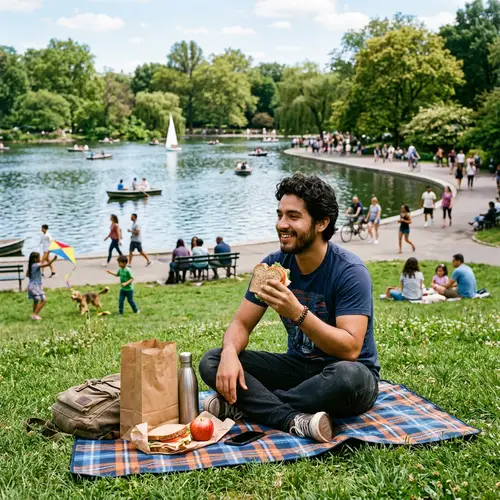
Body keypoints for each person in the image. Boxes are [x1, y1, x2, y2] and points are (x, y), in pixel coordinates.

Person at [199, 173, 379, 443]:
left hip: (348, 374)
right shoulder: (272, 267)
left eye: (293, 216)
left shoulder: (350, 272)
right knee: (212, 360)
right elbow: (241, 324)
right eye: (280, 214)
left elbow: (351, 348)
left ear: (322, 223)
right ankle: (291, 419)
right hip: (299, 369)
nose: (282, 224)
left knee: (347, 378)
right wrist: (229, 353)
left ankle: (248, 406)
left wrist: (298, 313)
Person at [26, 251, 57, 320]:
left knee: (36, 301)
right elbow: (47, 264)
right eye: (39, 258)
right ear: (35, 259)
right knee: (44, 300)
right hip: (35, 286)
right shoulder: (36, 265)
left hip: (31, 285)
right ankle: (34, 314)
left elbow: (27, 275)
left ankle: (34, 315)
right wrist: (53, 259)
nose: (40, 259)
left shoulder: (30, 266)